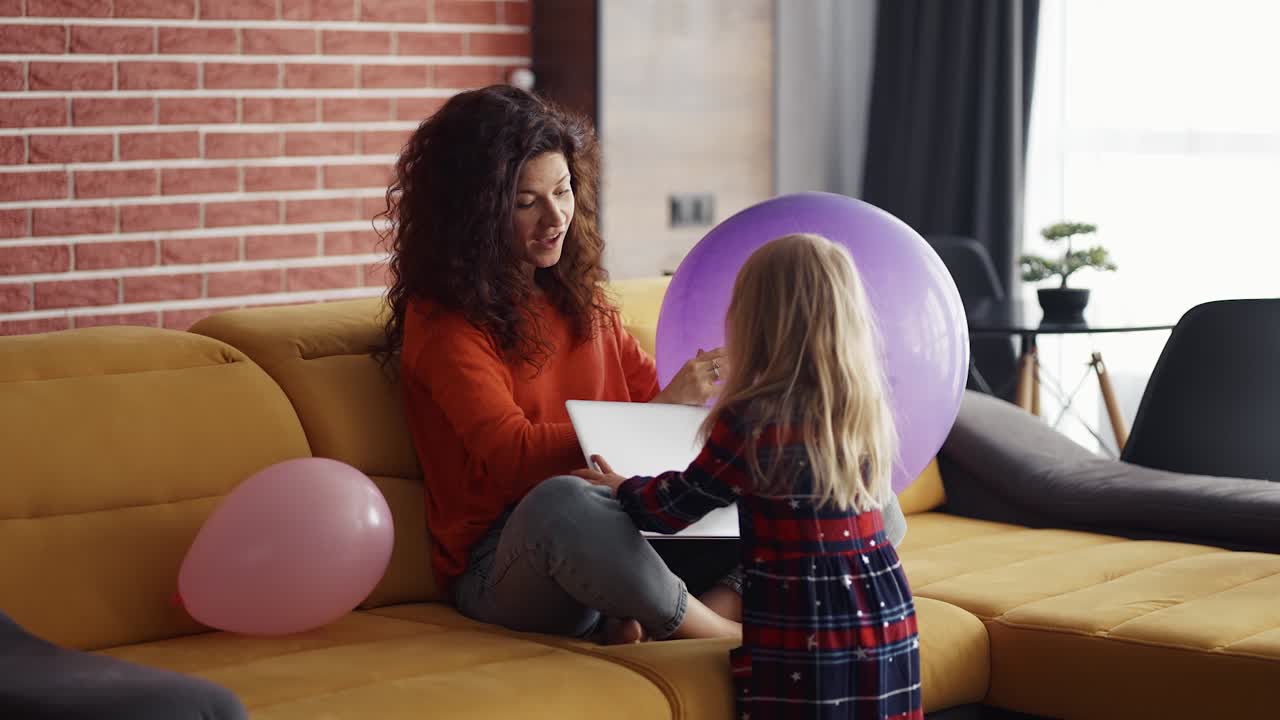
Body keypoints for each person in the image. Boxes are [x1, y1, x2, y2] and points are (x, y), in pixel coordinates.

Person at [375, 85, 742, 643]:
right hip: (512, 552)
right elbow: (511, 457)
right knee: (566, 503)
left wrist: (732, 412)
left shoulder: (583, 298)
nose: (555, 218)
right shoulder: (446, 322)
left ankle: (687, 610)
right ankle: (709, 631)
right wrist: (659, 408)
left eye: (563, 191)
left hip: (630, 523)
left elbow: (654, 411)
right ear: (473, 214)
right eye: (526, 203)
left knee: (831, 473)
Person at [574, 234, 923, 718]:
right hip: (885, 613)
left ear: (755, 322)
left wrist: (622, 488)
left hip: (804, 621)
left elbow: (678, 504)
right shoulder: (859, 412)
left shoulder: (752, 419)